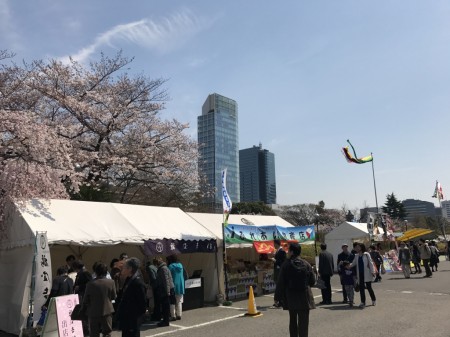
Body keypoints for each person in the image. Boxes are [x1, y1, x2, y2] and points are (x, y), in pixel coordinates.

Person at [277, 243, 316, 337]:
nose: (287, 252)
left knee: (293, 321)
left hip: (291, 297)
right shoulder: (306, 264)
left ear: (292, 252)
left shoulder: (286, 264)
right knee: (304, 323)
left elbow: (281, 282)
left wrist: (278, 297)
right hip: (305, 297)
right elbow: (312, 281)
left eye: (288, 250)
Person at [83, 262, 117, 337]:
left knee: (94, 333)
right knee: (107, 332)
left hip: (93, 312)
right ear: (106, 271)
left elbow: (85, 299)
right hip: (107, 310)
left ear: (95, 272)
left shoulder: (90, 283)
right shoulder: (111, 282)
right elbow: (113, 296)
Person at [116, 257, 147, 337]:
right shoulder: (128, 280)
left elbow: (143, 304)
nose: (121, 269)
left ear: (130, 269)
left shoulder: (138, 283)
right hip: (126, 320)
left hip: (132, 320)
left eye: (123, 267)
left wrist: (135, 318)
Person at [350, 243, 376, 308]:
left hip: (367, 273)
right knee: (361, 289)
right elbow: (353, 263)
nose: (356, 248)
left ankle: (373, 299)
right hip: (360, 274)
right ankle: (362, 302)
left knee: (369, 287)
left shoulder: (367, 254)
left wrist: (373, 272)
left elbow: (371, 263)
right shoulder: (356, 256)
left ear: (361, 247)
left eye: (358, 247)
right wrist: (347, 265)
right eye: (356, 247)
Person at [155, 257, 175, 327]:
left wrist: (168, 291)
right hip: (167, 289)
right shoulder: (164, 267)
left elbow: (166, 281)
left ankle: (166, 321)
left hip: (165, 290)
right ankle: (165, 320)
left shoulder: (163, 269)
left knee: (165, 307)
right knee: (165, 306)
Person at [167, 255, 185, 321]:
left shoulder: (170, 266)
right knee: (179, 301)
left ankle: (173, 315)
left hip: (173, 285)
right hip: (181, 285)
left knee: (172, 301)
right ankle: (179, 315)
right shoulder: (181, 265)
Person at [271, 239, 287, 308]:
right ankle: (279, 301)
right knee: (278, 285)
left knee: (279, 286)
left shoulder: (282, 251)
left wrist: (275, 261)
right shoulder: (277, 251)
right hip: (277, 270)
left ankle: (281, 302)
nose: (273, 245)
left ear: (277, 244)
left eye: (274, 244)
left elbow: (283, 261)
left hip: (280, 270)